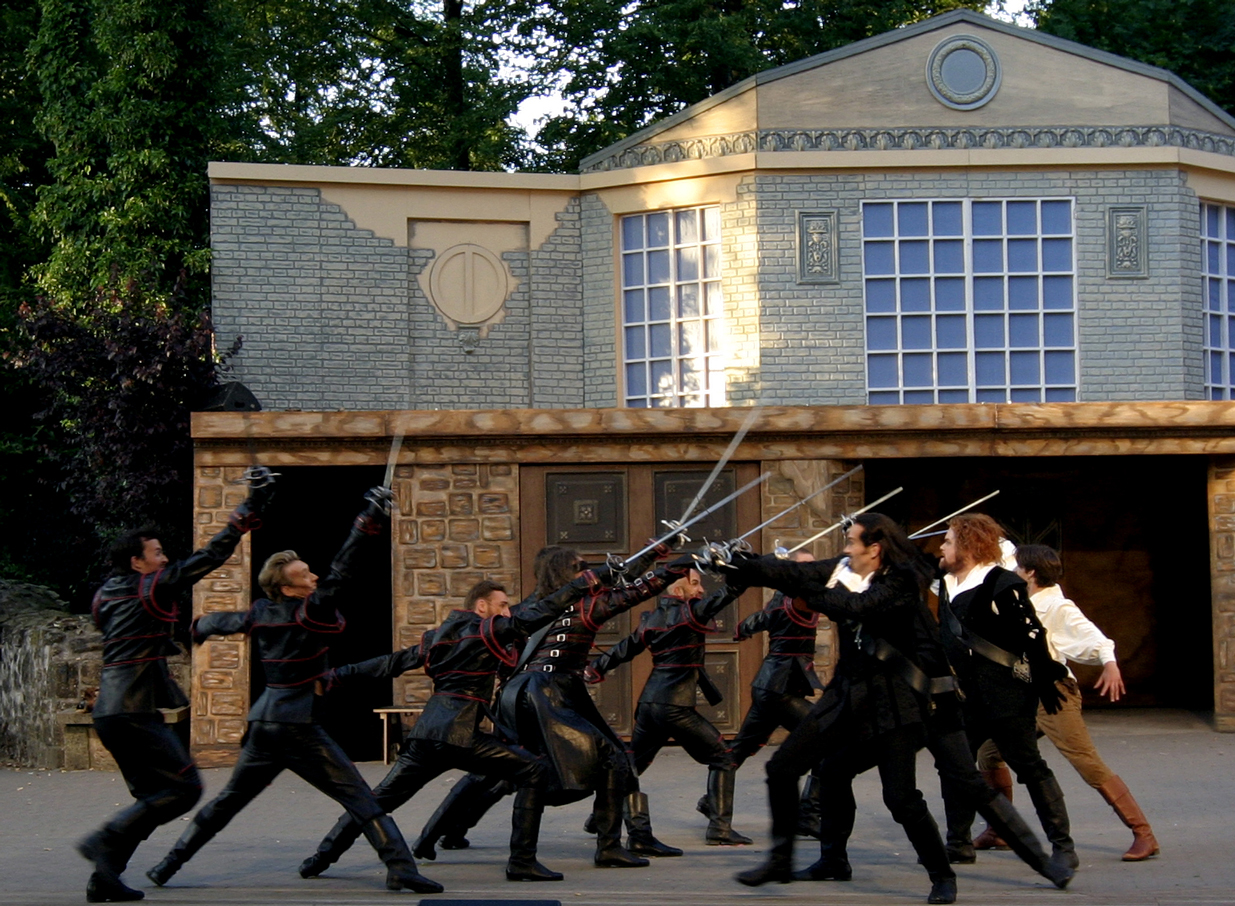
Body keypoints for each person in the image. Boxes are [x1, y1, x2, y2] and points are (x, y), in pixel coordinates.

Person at [145, 487, 441, 894]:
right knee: (359, 796)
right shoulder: (309, 611)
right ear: (286, 587)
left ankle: (166, 866)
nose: (314, 576)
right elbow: (343, 570)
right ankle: (401, 868)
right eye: (304, 575)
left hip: (265, 722)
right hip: (297, 725)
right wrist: (368, 518)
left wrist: (194, 630)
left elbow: (215, 622)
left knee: (227, 802)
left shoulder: (261, 612)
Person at [412, 543, 695, 880]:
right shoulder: (583, 606)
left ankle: (433, 836)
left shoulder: (530, 607)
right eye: (578, 567)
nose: (585, 571)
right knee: (613, 757)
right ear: (564, 573)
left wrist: (658, 552)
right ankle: (610, 846)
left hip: (520, 695)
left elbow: (622, 578)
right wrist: (680, 565)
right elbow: (633, 592)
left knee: (497, 770)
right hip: (548, 693)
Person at [720, 514, 959, 905]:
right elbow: (792, 572)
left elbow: (860, 606)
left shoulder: (900, 582)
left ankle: (942, 874)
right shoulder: (843, 569)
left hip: (892, 703)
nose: (845, 549)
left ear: (874, 549)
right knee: (786, 768)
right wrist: (740, 564)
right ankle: (800, 860)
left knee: (900, 798)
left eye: (851, 542)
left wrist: (810, 594)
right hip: (846, 696)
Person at [296, 575, 600, 881]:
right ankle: (522, 861)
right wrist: (584, 584)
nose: (507, 612)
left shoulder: (436, 637)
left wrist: (337, 675)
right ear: (482, 606)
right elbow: (539, 613)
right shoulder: (486, 631)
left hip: (427, 734)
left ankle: (320, 859)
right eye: (502, 605)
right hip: (462, 735)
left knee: (376, 800)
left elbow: (389, 663)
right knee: (534, 771)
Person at [78, 477, 272, 903]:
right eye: (157, 554)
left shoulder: (105, 595)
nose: (165, 560)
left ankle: (104, 877)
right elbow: (207, 559)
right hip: (132, 709)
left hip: (112, 710)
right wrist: (244, 516)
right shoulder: (152, 585)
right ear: (137, 562)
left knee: (152, 797)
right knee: (184, 789)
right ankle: (104, 840)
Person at [971, 544, 1159, 862]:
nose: (1013, 571)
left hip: (1054, 694)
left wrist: (1109, 662)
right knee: (989, 753)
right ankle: (999, 828)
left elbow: (1093, 636)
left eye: (1017, 567)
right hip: (1022, 694)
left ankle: (1143, 833)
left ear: (1030, 573)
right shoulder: (1015, 601)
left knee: (1086, 761)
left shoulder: (1058, 606)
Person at [935, 514, 1075, 870]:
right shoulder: (947, 582)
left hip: (1006, 695)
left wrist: (1044, 679)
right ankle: (958, 843)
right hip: (966, 696)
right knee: (955, 764)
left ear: (967, 546)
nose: (941, 546)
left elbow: (1032, 635)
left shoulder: (1002, 583)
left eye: (948, 541)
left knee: (1028, 764)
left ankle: (1063, 847)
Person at [588, 568, 752, 845]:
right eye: (696, 584)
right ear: (678, 591)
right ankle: (720, 828)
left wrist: (595, 669)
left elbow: (623, 649)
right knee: (723, 756)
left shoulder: (651, 619)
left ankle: (599, 818)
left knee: (632, 764)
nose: (701, 591)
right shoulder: (690, 613)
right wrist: (746, 570)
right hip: (675, 706)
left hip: (651, 704)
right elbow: (726, 595)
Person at [727, 551, 824, 837]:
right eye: (805, 566)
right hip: (779, 690)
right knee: (826, 738)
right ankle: (808, 815)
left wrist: (743, 628)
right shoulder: (797, 596)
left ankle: (713, 801)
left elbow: (759, 619)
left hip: (770, 688)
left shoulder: (782, 597)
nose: (813, 570)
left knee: (738, 750)